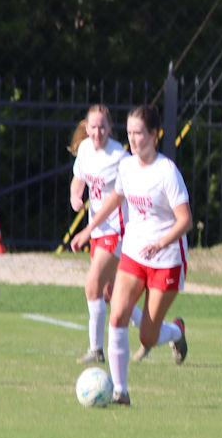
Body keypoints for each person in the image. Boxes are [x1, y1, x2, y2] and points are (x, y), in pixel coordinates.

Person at [70, 105, 191, 406]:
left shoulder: (167, 172)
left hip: (167, 259)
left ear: (154, 134)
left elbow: (185, 220)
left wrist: (161, 243)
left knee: (147, 337)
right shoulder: (127, 167)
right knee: (118, 315)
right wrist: (88, 230)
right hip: (134, 253)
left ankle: (176, 331)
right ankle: (120, 392)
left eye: (139, 133)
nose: (133, 139)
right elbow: (115, 199)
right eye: (130, 133)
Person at [68, 106, 142, 364]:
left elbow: (115, 201)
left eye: (102, 127)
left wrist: (86, 231)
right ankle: (167, 332)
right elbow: (78, 178)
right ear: (87, 128)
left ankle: (96, 350)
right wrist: (75, 196)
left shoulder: (119, 158)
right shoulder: (85, 150)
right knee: (111, 295)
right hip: (98, 230)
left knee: (92, 285)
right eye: (93, 127)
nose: (97, 132)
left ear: (110, 128)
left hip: (116, 230)